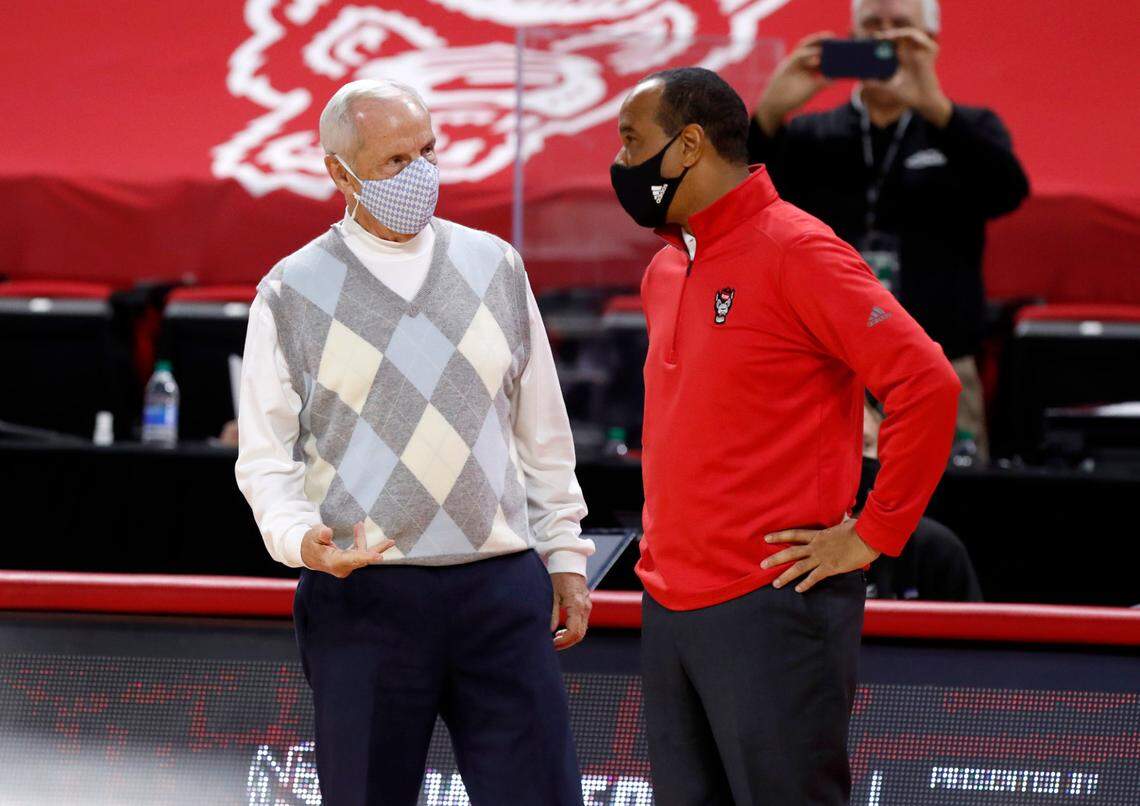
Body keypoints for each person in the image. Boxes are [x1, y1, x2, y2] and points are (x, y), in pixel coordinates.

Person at [235, 79, 594, 806]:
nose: (421, 173)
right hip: (364, 593)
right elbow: (266, 459)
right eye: (396, 161)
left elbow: (542, 432)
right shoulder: (288, 292)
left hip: (500, 587)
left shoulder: (497, 266)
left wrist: (565, 554)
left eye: (428, 150)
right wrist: (302, 542)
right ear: (340, 173)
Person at [609, 67, 960, 804]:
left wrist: (873, 533)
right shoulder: (665, 268)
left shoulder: (798, 249)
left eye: (631, 141)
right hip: (669, 598)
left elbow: (927, 383)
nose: (620, 162)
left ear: (688, 146)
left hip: (773, 600)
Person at [749, 0, 1030, 463]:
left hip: (939, 359)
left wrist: (935, 108)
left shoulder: (966, 128)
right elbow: (741, 201)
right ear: (850, 37)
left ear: (930, 43)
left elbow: (1008, 193)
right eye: (871, 26)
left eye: (900, 27)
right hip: (829, 367)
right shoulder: (810, 135)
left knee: (949, 498)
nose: (883, 38)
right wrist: (768, 115)